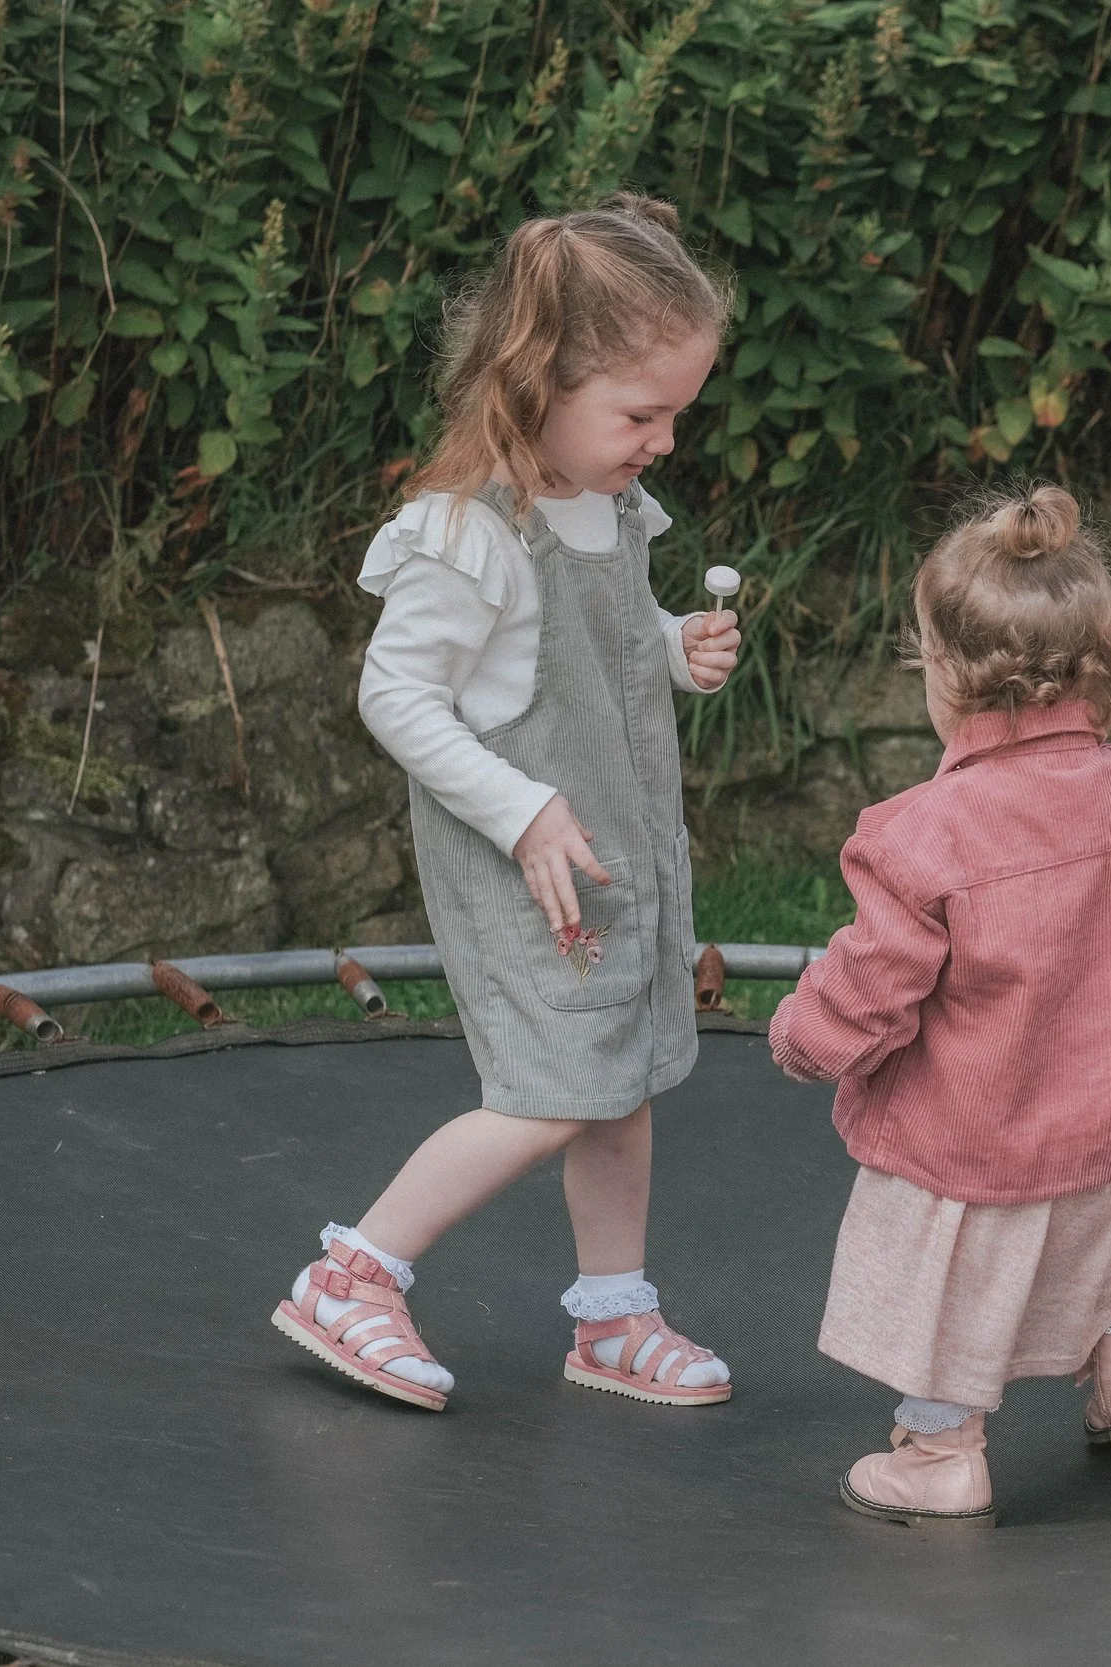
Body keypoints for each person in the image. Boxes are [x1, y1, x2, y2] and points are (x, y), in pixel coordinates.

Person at [270, 195, 743, 1413]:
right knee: (546, 1091)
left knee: (618, 1078)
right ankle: (352, 1274)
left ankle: (612, 1314)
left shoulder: (611, 506)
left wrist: (670, 640)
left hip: (611, 848)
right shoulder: (465, 532)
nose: (665, 440)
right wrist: (523, 807)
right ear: (538, 382)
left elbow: (593, 635)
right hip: (525, 854)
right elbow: (399, 695)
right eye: (642, 413)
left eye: (676, 413)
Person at [769, 485, 1111, 1529]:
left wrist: (802, 1036)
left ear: (946, 671)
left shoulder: (922, 834)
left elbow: (875, 983)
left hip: (974, 1127)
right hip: (1102, 1115)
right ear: (1101, 659)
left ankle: (939, 1450)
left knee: (945, 1286)